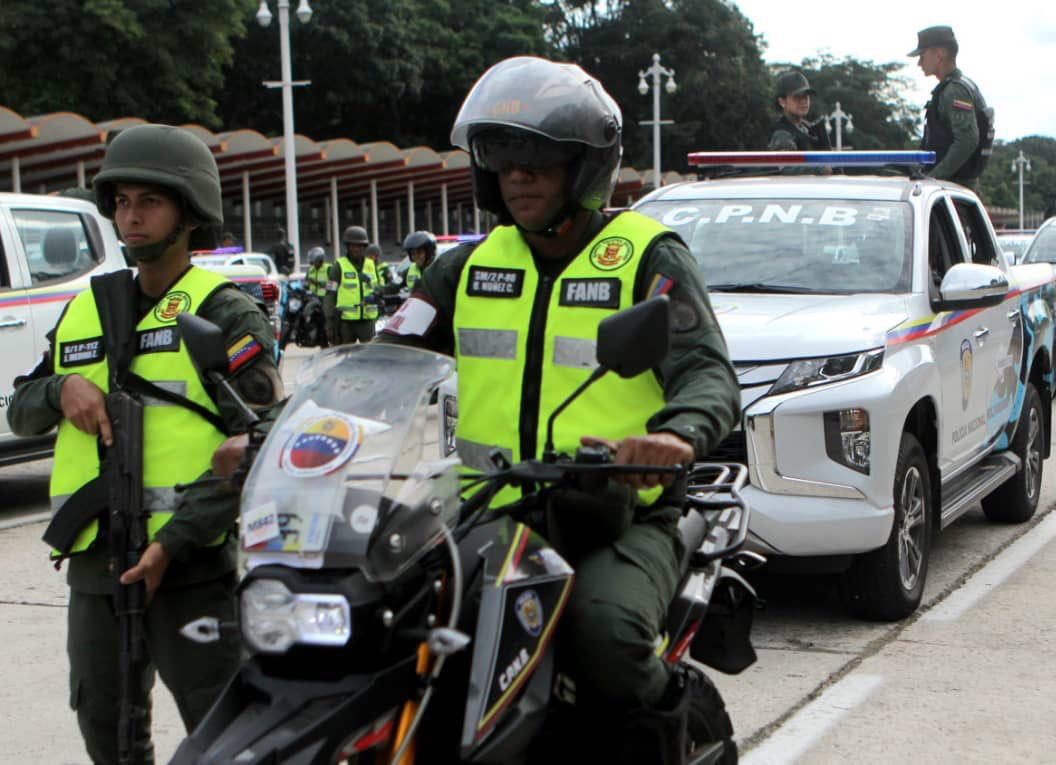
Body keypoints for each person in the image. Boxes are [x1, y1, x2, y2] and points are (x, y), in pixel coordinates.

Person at [378, 56, 740, 763]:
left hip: (616, 513)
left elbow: (708, 374)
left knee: (604, 631)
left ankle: (675, 729)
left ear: (584, 167)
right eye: (502, 157)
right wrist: (282, 437)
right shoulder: (465, 266)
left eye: (539, 158)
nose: (518, 175)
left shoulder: (644, 257)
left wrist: (672, 436)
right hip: (482, 510)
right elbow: (377, 366)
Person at [6, 124, 283, 764]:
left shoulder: (226, 312)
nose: (131, 217)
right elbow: (22, 410)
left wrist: (174, 542)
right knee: (105, 728)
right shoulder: (87, 308)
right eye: (122, 202)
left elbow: (265, 437)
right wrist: (62, 389)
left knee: (225, 738)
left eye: (149, 202)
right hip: (97, 568)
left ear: (189, 213)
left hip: (187, 567)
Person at [911, 25, 987, 185]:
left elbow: (968, 140)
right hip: (952, 188)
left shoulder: (955, 91)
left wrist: (934, 178)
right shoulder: (960, 86)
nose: (919, 63)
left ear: (939, 55)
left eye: (922, 55)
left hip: (952, 189)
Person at [323, 225, 379, 344]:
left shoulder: (371, 265)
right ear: (347, 246)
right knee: (344, 358)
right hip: (346, 323)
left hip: (367, 322)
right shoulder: (338, 266)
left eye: (359, 245)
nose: (356, 249)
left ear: (364, 247)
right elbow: (330, 295)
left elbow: (379, 289)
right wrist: (329, 322)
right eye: (353, 245)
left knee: (369, 357)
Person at [767, 70, 831, 151]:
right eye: (797, 97)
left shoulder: (807, 129)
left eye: (806, 96)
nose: (803, 101)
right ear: (782, 101)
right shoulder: (782, 135)